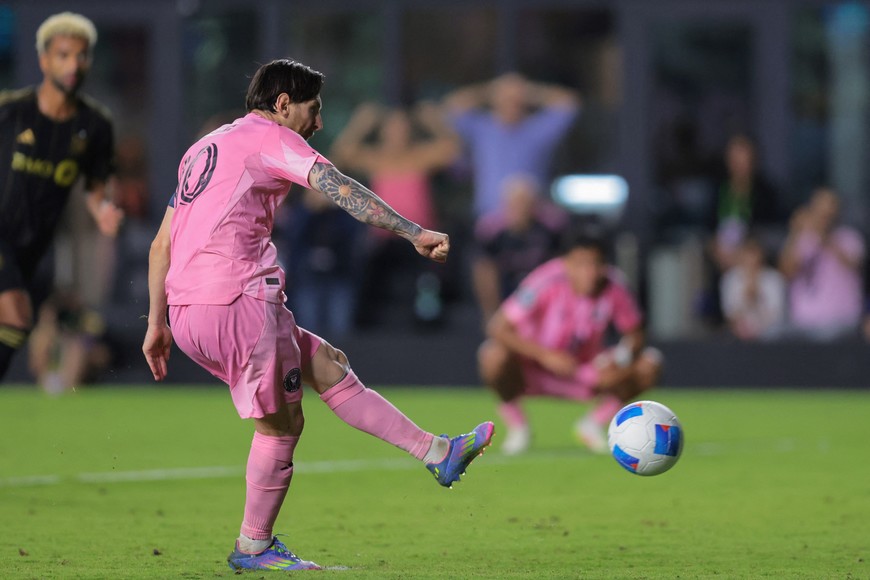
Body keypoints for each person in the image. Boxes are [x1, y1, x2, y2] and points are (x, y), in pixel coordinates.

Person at [141, 59, 494, 572]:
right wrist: (415, 232)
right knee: (281, 428)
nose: (319, 123)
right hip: (238, 301)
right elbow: (341, 190)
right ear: (283, 104)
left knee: (326, 364)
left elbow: (160, 245)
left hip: (188, 310)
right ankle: (253, 547)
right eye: (314, 109)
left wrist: (156, 323)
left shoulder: (204, 148)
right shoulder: (272, 137)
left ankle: (438, 452)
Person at [0, 12, 122, 382]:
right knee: (16, 314)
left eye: (81, 55)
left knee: (19, 327)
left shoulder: (95, 126)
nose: (73, 64)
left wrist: (101, 211)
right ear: (44, 60)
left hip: (35, 248)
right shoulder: (10, 112)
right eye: (64, 55)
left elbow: (95, 187)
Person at [478, 231, 662, 456]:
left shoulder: (615, 285)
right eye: (581, 265)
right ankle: (518, 427)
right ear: (566, 263)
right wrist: (545, 356)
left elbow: (635, 334)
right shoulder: (545, 280)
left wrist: (620, 359)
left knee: (650, 364)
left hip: (585, 371)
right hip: (533, 370)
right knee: (492, 355)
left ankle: (593, 424)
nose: (590, 273)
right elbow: (498, 327)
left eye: (596, 264)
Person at [330, 101, 459, 327]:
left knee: (429, 282)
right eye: (393, 128)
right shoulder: (376, 158)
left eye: (403, 128)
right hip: (382, 238)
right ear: (384, 131)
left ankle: (428, 321)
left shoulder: (420, 156)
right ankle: (363, 327)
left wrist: (434, 123)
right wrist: (360, 125)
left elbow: (453, 149)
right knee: (366, 279)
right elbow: (340, 155)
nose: (398, 133)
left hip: (419, 236)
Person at [443, 72, 580, 218]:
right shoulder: (482, 128)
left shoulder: (536, 130)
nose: (511, 105)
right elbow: (451, 105)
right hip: (488, 217)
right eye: (506, 100)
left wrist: (527, 90)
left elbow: (569, 104)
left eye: (515, 102)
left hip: (530, 216)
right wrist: (492, 90)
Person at [472, 174, 564, 324]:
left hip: (543, 293)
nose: (519, 209)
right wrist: (491, 312)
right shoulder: (492, 232)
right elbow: (484, 270)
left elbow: (560, 264)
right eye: (514, 204)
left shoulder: (550, 228)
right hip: (507, 293)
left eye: (524, 203)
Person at [779, 187, 865, 340]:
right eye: (820, 209)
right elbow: (787, 272)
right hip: (803, 326)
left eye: (828, 209)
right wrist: (796, 232)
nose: (824, 215)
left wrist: (821, 234)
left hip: (841, 325)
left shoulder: (849, 238)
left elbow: (851, 264)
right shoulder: (802, 240)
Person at [720, 236, 786, 341]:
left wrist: (757, 298)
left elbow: (777, 316)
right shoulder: (731, 279)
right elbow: (730, 314)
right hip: (738, 336)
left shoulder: (774, 279)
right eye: (747, 257)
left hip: (769, 336)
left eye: (754, 257)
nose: (751, 262)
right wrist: (747, 298)